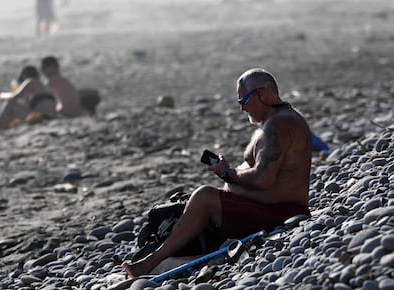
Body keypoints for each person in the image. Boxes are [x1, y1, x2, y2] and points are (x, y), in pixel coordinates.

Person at [123, 68, 312, 277]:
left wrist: (228, 174)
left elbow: (263, 179)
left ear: (262, 94)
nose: (242, 109)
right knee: (191, 201)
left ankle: (151, 262)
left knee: (204, 196)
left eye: (243, 101)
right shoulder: (278, 120)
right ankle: (171, 250)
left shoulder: (279, 125)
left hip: (281, 212)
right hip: (269, 206)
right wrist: (229, 173)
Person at [0, 65, 57, 137]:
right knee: (15, 111)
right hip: (50, 118)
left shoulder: (30, 81)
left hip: (42, 119)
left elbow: (13, 97)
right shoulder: (44, 86)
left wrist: (1, 95)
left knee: (10, 104)